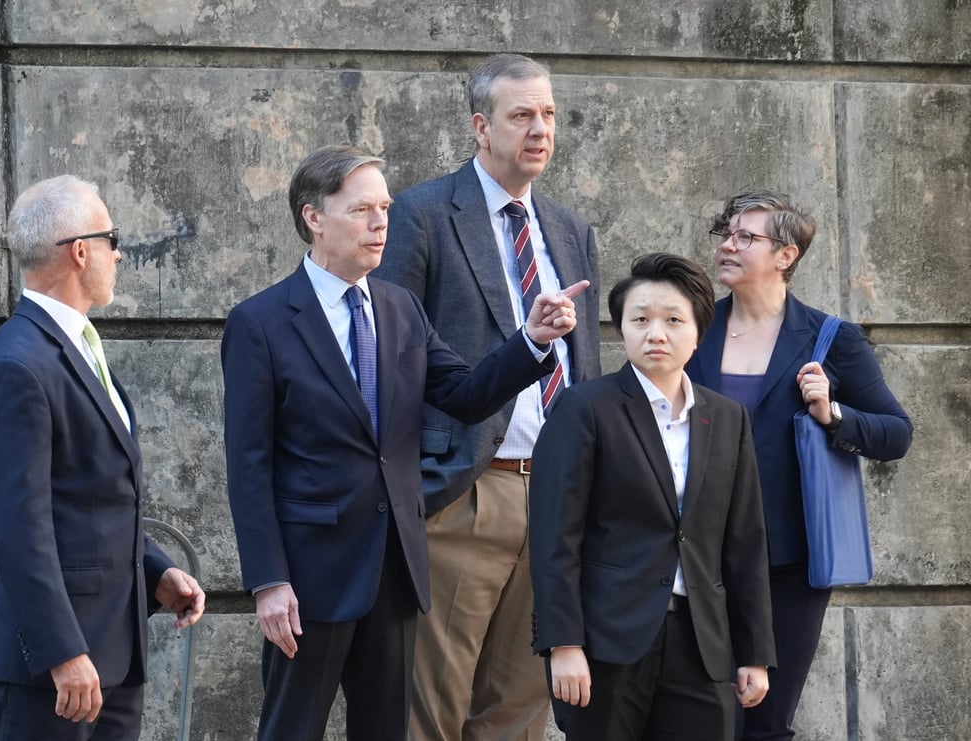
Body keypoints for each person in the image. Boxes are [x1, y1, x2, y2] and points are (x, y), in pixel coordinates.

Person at [221, 144, 587, 741]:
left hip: (395, 567)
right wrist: (268, 580)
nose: (380, 223)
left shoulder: (399, 306)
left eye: (385, 207)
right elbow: (249, 464)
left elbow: (466, 396)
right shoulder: (259, 322)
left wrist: (532, 342)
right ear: (314, 217)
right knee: (292, 728)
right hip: (311, 577)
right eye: (362, 209)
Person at [374, 52, 600, 741]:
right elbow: (390, 361)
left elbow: (584, 366)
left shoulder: (570, 231)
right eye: (522, 115)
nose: (540, 129)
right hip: (464, 495)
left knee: (521, 713)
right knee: (429, 712)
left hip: (559, 500)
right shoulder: (419, 216)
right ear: (481, 125)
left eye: (550, 114)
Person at [0, 175, 206, 740]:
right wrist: (62, 652)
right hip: (45, 669)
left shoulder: (74, 345)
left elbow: (90, 498)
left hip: (110, 655)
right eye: (112, 237)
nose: (119, 252)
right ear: (82, 251)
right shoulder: (17, 365)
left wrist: (156, 571)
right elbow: (20, 526)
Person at [686, 191, 913, 739]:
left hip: (786, 563)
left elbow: (895, 434)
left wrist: (833, 413)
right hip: (695, 557)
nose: (729, 247)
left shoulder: (828, 338)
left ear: (786, 255)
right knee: (698, 718)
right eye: (726, 234)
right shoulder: (692, 329)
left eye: (747, 237)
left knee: (763, 721)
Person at [529, 252, 776, 741]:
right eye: (640, 320)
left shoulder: (727, 419)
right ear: (622, 327)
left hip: (701, 641)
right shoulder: (585, 407)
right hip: (608, 641)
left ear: (698, 331)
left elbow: (744, 542)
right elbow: (555, 536)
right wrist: (563, 644)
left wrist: (755, 653)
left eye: (672, 320)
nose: (655, 333)